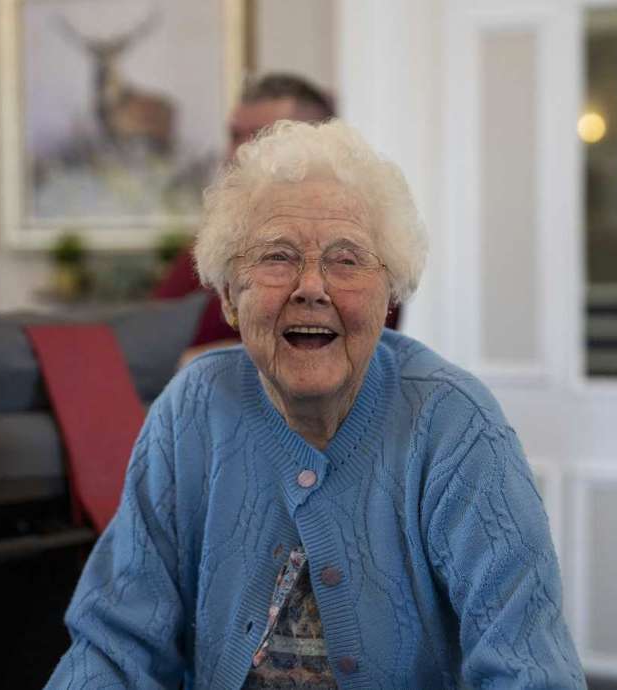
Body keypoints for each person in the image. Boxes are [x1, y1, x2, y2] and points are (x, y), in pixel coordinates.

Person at [45, 120, 585, 688]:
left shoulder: (454, 427)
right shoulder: (191, 413)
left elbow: (529, 667)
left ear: (388, 297)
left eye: (346, 260)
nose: (311, 287)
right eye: (277, 257)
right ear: (229, 296)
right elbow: (112, 646)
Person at [153, 73, 399, 362]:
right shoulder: (214, 241)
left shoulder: (368, 249)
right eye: (234, 136)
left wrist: (206, 364)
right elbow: (151, 333)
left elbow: (342, 357)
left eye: (261, 137)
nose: (239, 153)